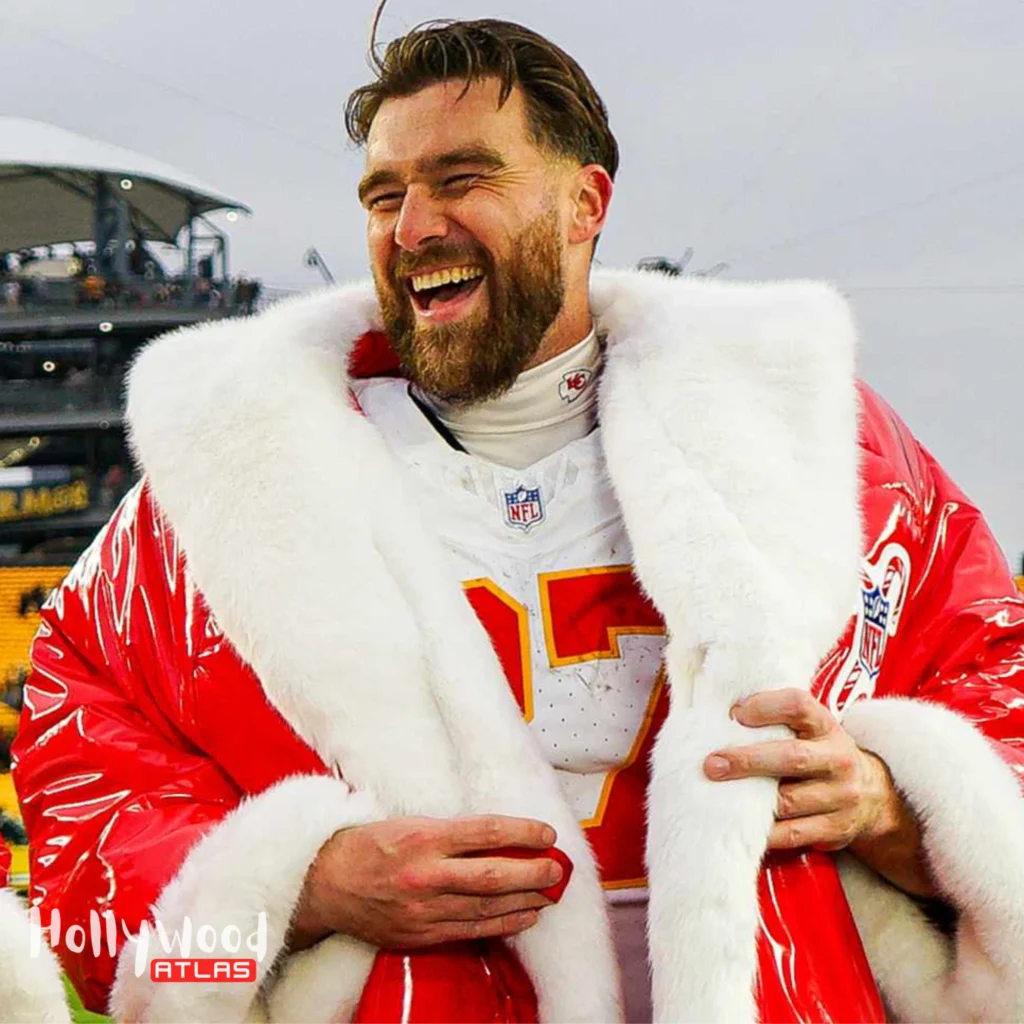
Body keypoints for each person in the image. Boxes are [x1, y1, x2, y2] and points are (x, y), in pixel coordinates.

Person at [13, 18, 1024, 1024]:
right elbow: (82, 754)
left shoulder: (820, 440)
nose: (412, 228)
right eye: (383, 195)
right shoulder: (228, 483)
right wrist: (304, 884)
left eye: (461, 180)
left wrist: (897, 804)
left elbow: (992, 663)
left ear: (585, 202)